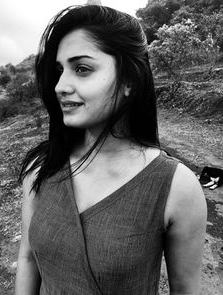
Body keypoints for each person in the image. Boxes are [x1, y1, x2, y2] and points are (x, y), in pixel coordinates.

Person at [15, 4, 207, 295]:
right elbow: (29, 259)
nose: (60, 86)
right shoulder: (41, 169)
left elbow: (185, 288)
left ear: (129, 80)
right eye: (59, 71)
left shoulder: (176, 186)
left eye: (82, 69)